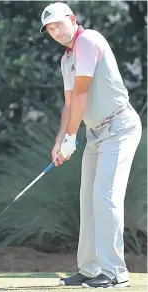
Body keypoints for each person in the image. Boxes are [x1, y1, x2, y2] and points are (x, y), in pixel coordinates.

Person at [40, 2, 142, 289]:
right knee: (88, 199)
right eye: (49, 29)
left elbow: (83, 91)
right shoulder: (66, 60)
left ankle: (116, 273)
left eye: (59, 24)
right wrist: (61, 139)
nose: (55, 31)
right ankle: (89, 269)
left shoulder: (88, 40)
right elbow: (70, 102)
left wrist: (72, 138)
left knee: (105, 196)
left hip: (120, 128)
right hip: (97, 134)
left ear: (72, 19)